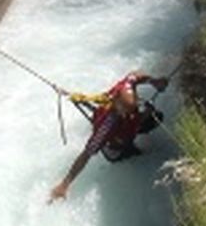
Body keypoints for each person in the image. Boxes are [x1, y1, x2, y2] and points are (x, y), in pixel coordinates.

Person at [49, 71, 169, 202]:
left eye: (130, 110)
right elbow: (86, 155)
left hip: (129, 128)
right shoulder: (106, 128)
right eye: (125, 112)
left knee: (156, 117)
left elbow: (136, 75)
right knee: (140, 157)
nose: (127, 115)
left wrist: (154, 81)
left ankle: (138, 127)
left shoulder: (126, 86)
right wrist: (65, 184)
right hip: (116, 146)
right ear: (117, 104)